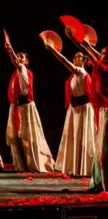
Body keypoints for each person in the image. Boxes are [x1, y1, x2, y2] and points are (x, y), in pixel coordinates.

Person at [65, 29, 108, 192]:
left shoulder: (103, 67)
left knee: (103, 148)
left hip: (106, 110)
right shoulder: (102, 64)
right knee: (100, 147)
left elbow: (86, 51)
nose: (99, 54)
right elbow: (90, 49)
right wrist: (77, 38)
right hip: (103, 110)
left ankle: (103, 183)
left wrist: (74, 39)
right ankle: (98, 182)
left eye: (103, 53)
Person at [44, 44, 95, 176]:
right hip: (74, 110)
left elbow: (63, 61)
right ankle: (75, 167)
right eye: (76, 57)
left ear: (84, 61)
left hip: (84, 109)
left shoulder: (81, 72)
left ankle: (85, 168)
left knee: (83, 138)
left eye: (80, 57)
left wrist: (53, 50)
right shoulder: (73, 76)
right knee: (74, 137)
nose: (78, 59)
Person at [5, 39, 55, 172]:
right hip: (17, 107)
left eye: (22, 57)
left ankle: (34, 163)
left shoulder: (23, 69)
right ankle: (22, 163)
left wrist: (11, 51)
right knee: (18, 136)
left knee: (29, 135)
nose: (19, 58)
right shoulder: (15, 74)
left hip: (26, 107)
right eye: (18, 55)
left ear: (26, 61)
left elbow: (15, 62)